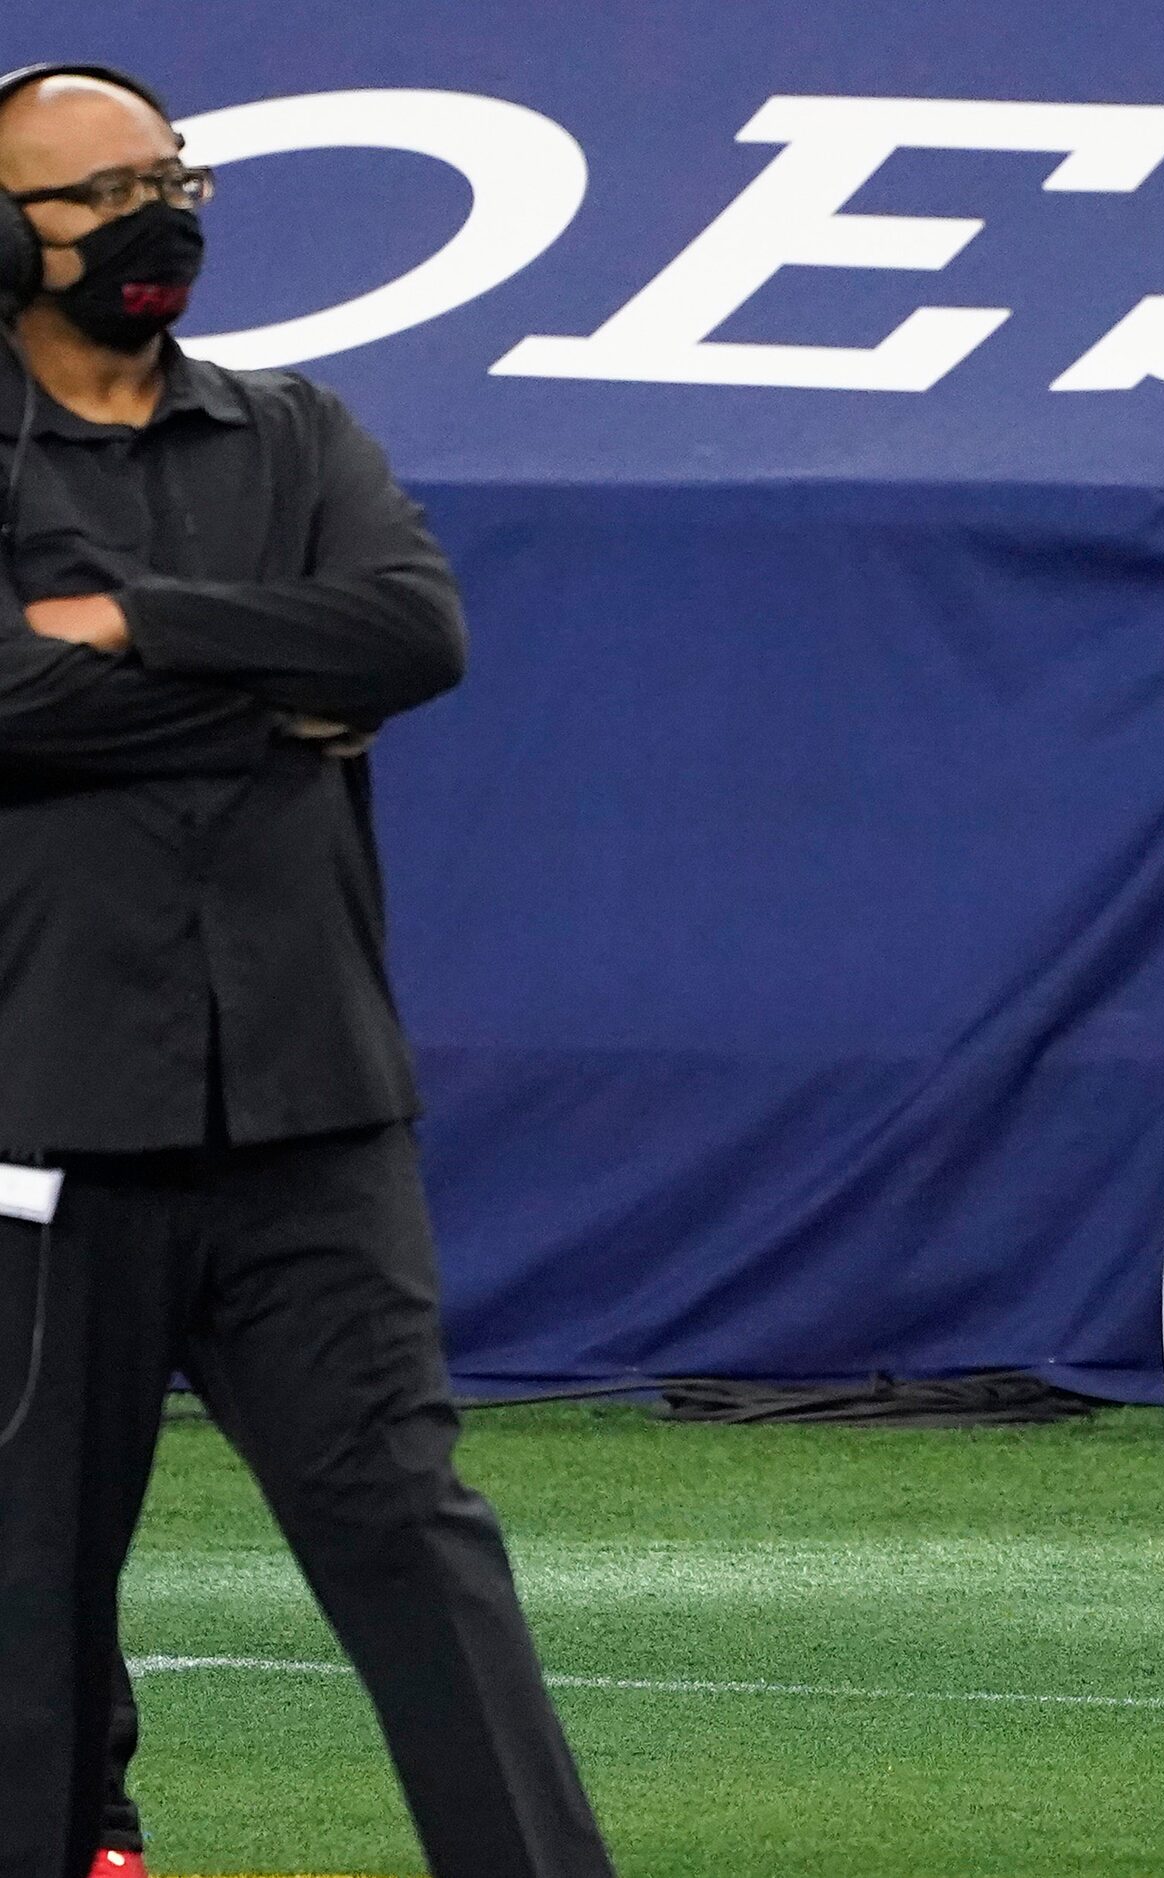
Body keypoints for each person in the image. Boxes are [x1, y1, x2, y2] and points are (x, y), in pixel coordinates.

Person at [0, 63, 615, 1878]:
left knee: (417, 1541)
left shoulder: (297, 435)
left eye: (164, 178)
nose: (149, 219)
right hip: (42, 1121)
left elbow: (411, 629)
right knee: (28, 1589)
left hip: (311, 1112)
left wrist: (133, 628)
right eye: (94, 197)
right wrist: (269, 702)